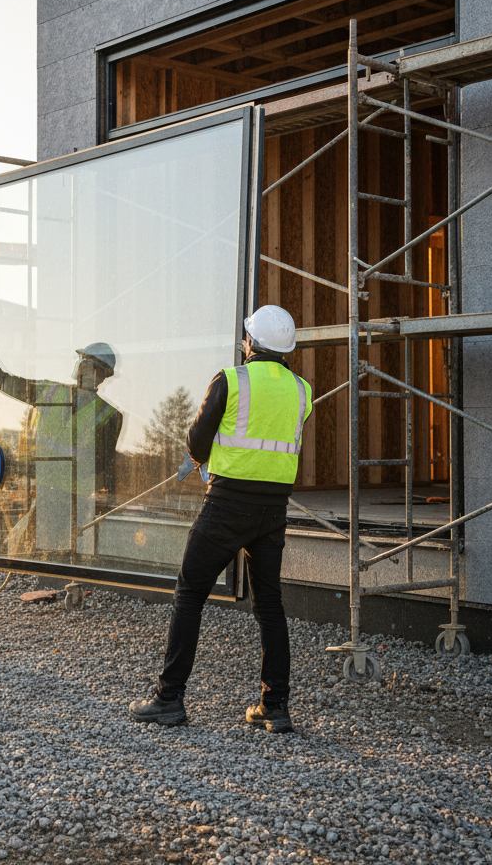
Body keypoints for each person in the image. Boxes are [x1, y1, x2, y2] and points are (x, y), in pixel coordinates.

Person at [129, 305, 312, 732]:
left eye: (246, 337)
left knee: (190, 592)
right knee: (269, 605)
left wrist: (199, 458)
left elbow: (197, 439)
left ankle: (169, 698)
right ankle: (275, 706)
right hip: (273, 511)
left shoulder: (232, 379)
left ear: (252, 344)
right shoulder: (301, 391)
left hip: (227, 504)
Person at [0, 339, 123, 556]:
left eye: (87, 364)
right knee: (38, 552)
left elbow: (102, 466)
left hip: (76, 501)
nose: (82, 368)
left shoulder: (108, 415)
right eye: (82, 362)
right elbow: (1, 380)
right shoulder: (51, 391)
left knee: (60, 554)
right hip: (49, 494)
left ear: (101, 374)